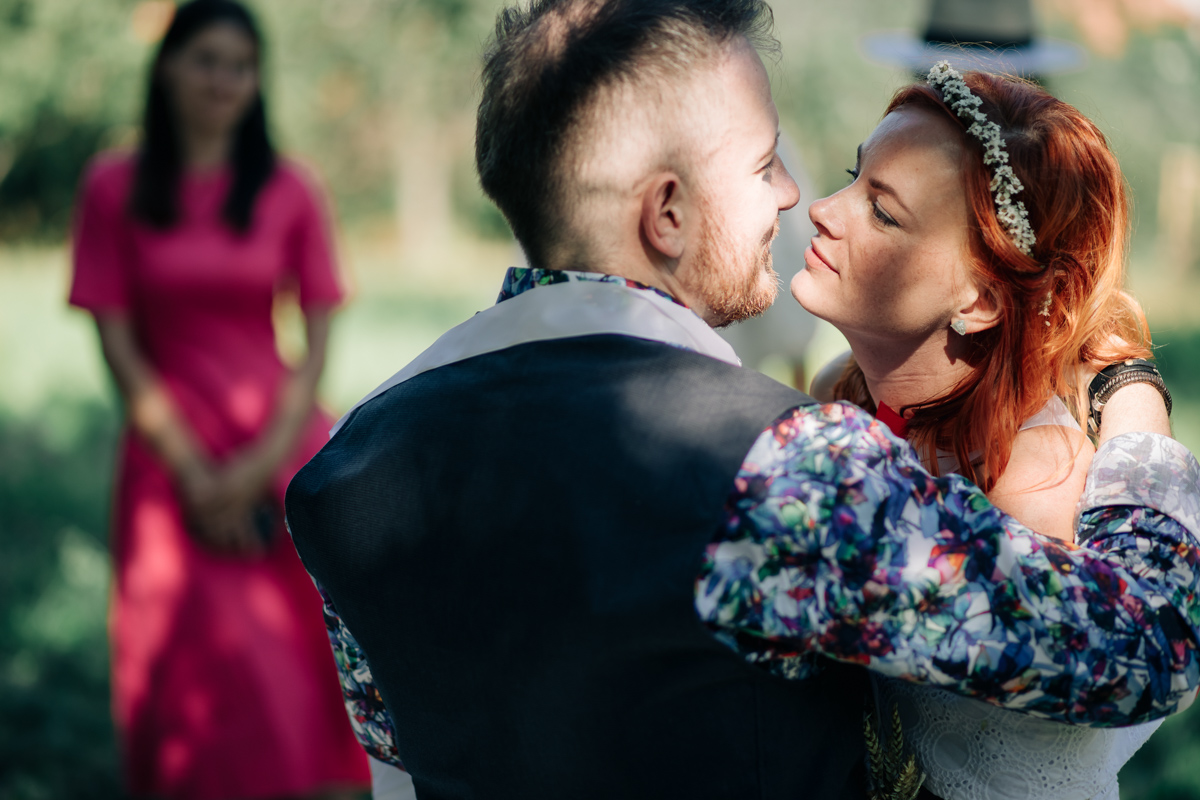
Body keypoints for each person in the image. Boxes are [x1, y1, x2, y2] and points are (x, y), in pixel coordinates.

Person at [284, 2, 1200, 798]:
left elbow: (396, 765)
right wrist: (1131, 399)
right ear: (667, 215)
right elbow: (1143, 648)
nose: (798, 197)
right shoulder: (785, 470)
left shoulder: (348, 468)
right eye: (764, 167)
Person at [794, 63, 1181, 800]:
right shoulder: (840, 392)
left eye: (883, 212)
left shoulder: (1032, 485)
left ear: (979, 300)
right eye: (852, 176)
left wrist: (1132, 389)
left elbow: (1137, 659)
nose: (821, 209)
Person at [67, 2, 369, 798]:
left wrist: (257, 469)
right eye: (206, 60)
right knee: (187, 661)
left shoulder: (292, 188)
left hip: (279, 447)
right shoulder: (111, 185)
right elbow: (116, 341)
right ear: (166, 66)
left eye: (241, 66)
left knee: (295, 670)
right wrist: (196, 473)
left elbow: (317, 339)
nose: (223, 81)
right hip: (168, 453)